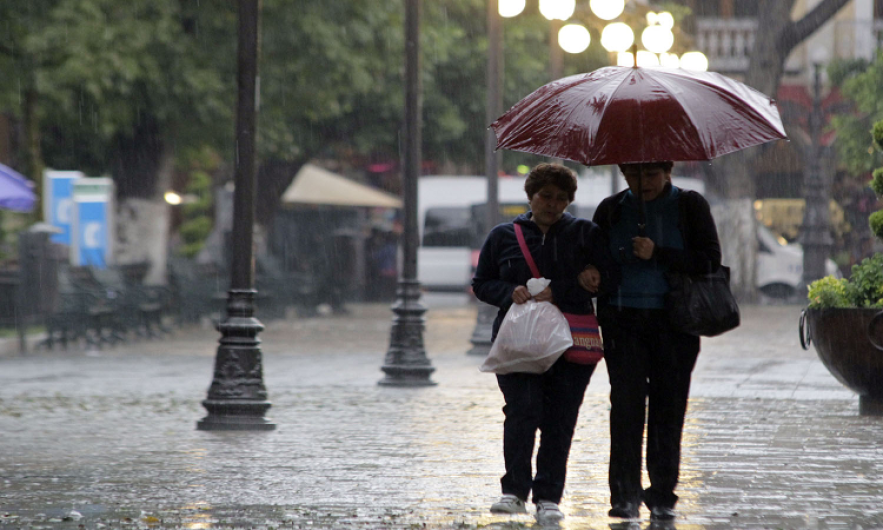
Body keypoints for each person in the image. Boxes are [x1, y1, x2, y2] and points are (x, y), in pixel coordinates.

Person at [472, 163, 615, 524]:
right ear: (530, 196)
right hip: (517, 342)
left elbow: (608, 279)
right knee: (521, 411)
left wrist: (565, 289)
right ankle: (514, 491)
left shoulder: (585, 234)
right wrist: (510, 291)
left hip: (570, 342)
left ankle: (549, 496)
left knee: (560, 419)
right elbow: (482, 282)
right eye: (546, 196)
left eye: (561, 198)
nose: (553, 204)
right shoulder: (503, 236)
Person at [583, 161, 722, 521]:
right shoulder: (611, 209)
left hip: (674, 323)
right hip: (623, 322)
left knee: (668, 410)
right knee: (626, 409)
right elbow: (592, 256)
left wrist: (658, 252)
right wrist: (595, 270)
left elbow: (709, 260)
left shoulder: (689, 205)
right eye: (633, 175)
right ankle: (624, 495)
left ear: (667, 171)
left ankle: (662, 494)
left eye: (650, 174)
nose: (642, 182)